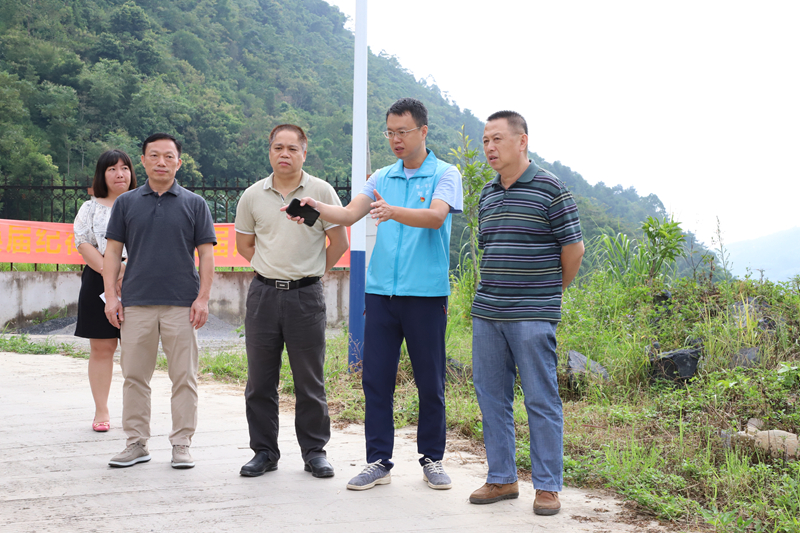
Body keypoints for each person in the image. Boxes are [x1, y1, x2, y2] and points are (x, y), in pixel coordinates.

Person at [285, 98, 463, 491]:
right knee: (376, 381)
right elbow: (350, 214)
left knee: (430, 382)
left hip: (426, 296)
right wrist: (315, 208)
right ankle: (378, 461)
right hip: (381, 295)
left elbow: (436, 217)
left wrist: (393, 211)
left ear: (423, 131)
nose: (396, 139)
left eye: (404, 132)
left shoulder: (445, 173)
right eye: (390, 133)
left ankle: (432, 459)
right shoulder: (382, 176)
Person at [468, 111, 584, 516]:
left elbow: (574, 250)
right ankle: (502, 478)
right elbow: (490, 248)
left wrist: (549, 295)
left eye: (497, 139)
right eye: (486, 140)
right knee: (491, 398)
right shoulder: (487, 194)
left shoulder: (551, 189)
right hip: (487, 313)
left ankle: (548, 486)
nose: (490, 147)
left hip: (533, 314)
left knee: (541, 399)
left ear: (522, 141)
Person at [234, 124, 348, 479]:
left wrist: (313, 273)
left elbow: (339, 243)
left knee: (309, 380)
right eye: (278, 147)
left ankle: (315, 452)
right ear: (269, 151)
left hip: (306, 297)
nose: (285, 154)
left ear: (304, 152)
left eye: (292, 148)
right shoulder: (252, 195)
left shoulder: (321, 191)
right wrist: (272, 269)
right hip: (263, 296)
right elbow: (244, 245)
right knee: (260, 381)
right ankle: (264, 452)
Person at [102, 133, 217, 469]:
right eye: (154, 155)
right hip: (136, 302)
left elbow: (207, 256)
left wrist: (203, 298)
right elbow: (112, 253)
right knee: (135, 377)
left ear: (179, 162)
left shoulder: (195, 203)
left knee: (184, 377)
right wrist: (112, 297)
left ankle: (181, 443)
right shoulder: (126, 203)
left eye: (168, 156)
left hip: (182, 304)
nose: (161, 162)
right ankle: (136, 443)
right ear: (143, 160)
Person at [73, 150, 137, 432]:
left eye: (124, 168)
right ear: (102, 175)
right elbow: (83, 243)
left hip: (138, 279)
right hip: (98, 279)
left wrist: (126, 270)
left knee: (135, 349)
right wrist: (112, 271)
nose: (119, 174)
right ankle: (102, 410)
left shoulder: (143, 204)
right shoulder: (90, 208)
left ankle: (136, 411)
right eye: (112, 169)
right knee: (102, 347)